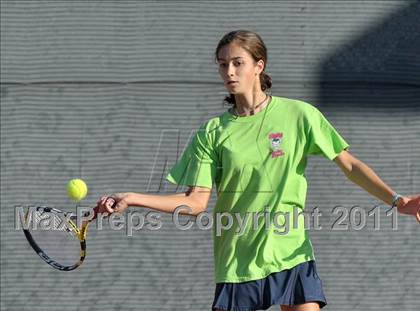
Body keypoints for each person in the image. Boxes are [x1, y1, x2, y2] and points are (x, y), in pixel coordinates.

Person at [96, 30, 420, 311]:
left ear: (258, 66)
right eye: (223, 64)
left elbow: (350, 165)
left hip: (290, 252)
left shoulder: (299, 115)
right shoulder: (213, 132)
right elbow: (195, 203)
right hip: (237, 260)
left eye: (238, 62)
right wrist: (133, 198)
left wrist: (398, 201)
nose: (229, 72)